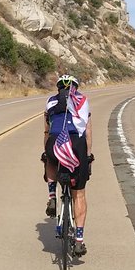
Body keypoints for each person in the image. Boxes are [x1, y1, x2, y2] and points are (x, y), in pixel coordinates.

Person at [42, 74, 93, 256]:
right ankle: (79, 240)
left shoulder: (50, 102)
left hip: (55, 141)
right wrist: (87, 156)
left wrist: (46, 151)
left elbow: (47, 130)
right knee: (78, 194)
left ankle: (52, 197)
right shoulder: (83, 101)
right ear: (76, 88)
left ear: (58, 88)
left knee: (49, 160)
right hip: (76, 143)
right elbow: (87, 132)